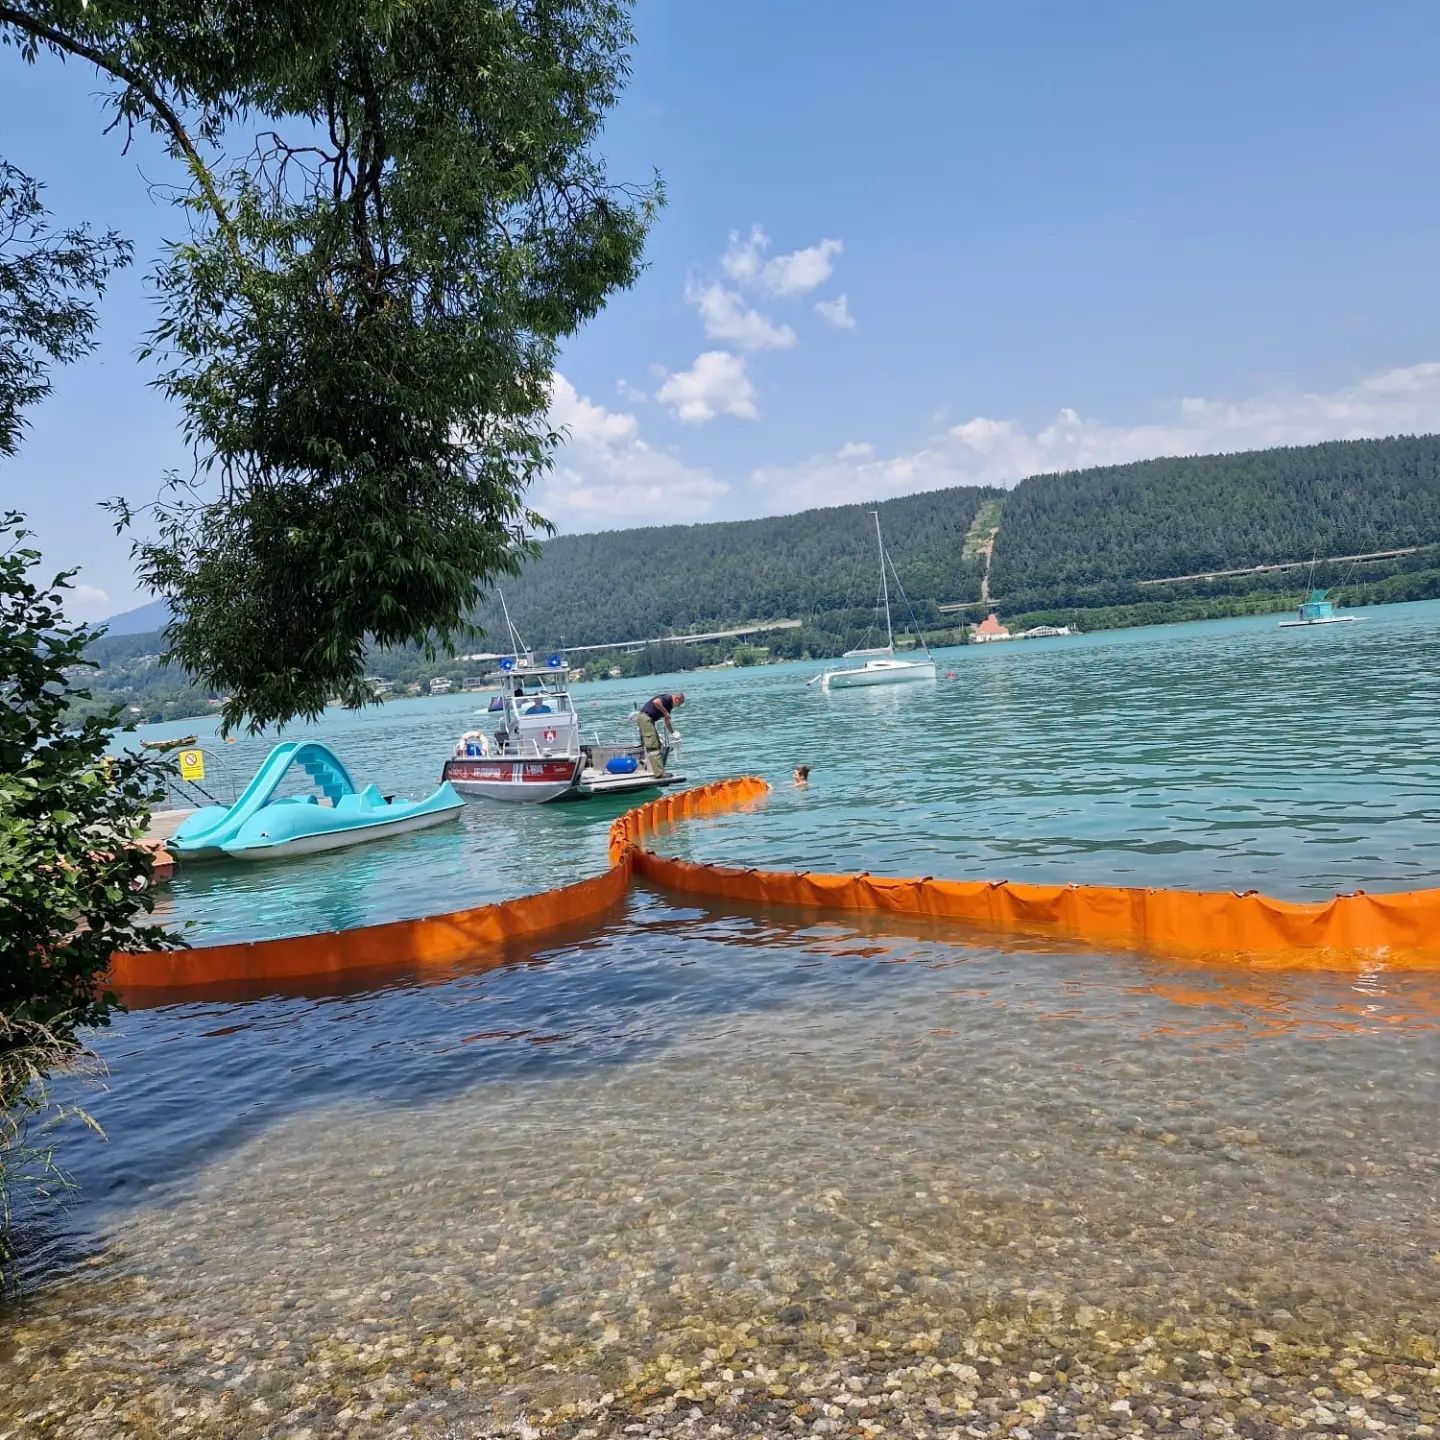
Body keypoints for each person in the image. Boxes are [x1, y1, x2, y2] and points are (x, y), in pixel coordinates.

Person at [637, 691, 684, 777]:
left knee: (657, 744)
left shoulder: (669, 706)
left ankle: (658, 770)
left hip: (648, 720)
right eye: (680, 704)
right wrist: (665, 713)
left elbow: (667, 722)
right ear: (677, 699)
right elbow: (656, 702)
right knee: (653, 745)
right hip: (645, 718)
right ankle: (659, 773)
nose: (679, 706)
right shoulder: (666, 698)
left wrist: (673, 733)